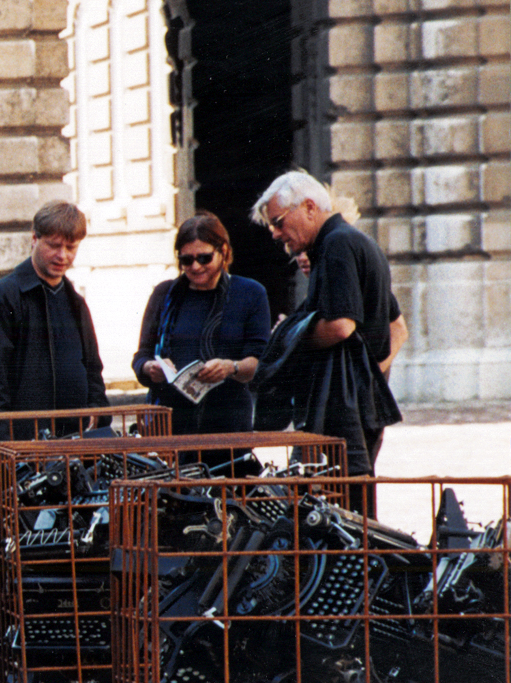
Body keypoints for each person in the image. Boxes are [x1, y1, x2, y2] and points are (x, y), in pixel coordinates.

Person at [252, 170, 407, 474]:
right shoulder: (351, 241)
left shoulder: (337, 244)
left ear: (309, 207)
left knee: (337, 504)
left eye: (278, 222)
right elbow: (393, 327)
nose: (275, 233)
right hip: (356, 402)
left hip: (343, 406)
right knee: (349, 505)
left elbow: (341, 326)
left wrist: (290, 337)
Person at [0, 200, 108, 438]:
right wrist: (3, 446)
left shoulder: (76, 303)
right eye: (54, 245)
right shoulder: (0, 299)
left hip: (74, 447)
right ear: (34, 239)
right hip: (21, 450)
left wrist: (96, 413)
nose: (62, 256)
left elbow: (93, 371)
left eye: (71, 248)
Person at [131, 213, 271, 434]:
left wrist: (230, 367)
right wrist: (150, 368)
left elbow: (260, 361)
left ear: (223, 251)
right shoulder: (163, 294)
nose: (195, 267)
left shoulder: (250, 293)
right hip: (169, 424)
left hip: (227, 423)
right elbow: (142, 356)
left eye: (204, 258)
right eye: (186, 260)